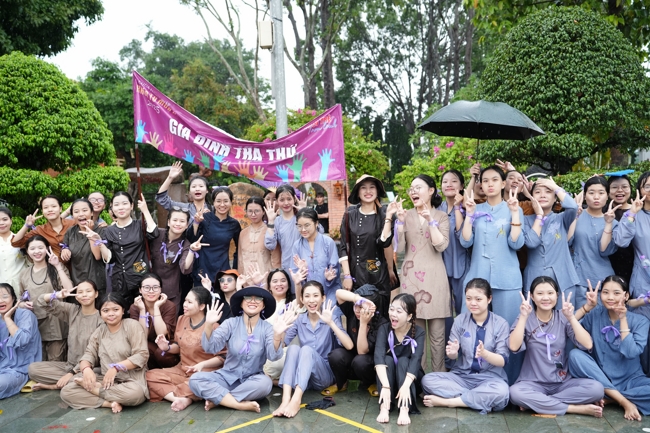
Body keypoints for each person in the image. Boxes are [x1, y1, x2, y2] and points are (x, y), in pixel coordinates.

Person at [189, 286, 296, 412]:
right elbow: (210, 347)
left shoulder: (267, 328)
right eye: (248, 297)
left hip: (252, 380)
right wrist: (208, 324)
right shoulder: (230, 323)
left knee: (266, 383)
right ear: (241, 303)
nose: (253, 301)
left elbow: (273, 356)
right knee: (195, 379)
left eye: (258, 299)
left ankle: (220, 400)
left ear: (263, 305)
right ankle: (238, 404)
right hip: (226, 377)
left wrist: (277, 335)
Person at [508, 276, 604, 417]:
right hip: (533, 383)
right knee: (515, 393)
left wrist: (571, 317)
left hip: (562, 383)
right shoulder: (526, 317)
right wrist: (523, 316)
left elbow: (587, 344)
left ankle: (540, 403)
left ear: (557, 295)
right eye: (540, 293)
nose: (545, 298)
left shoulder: (562, 317)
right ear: (532, 297)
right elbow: (513, 346)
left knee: (597, 389)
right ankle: (573, 408)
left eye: (550, 293)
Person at [388, 174, 450, 372]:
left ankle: (438, 378)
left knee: (438, 336)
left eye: (418, 187)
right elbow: (399, 248)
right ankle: (418, 378)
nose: (413, 191)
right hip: (411, 279)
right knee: (415, 334)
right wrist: (399, 223)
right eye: (411, 188)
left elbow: (441, 245)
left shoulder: (441, 216)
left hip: (435, 279)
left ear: (431, 191)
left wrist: (430, 220)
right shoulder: (406, 216)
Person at [421, 278, 510, 415]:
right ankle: (477, 398)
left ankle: (449, 402)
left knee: (502, 392)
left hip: (490, 378)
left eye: (478, 299)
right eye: (468, 298)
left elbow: (502, 360)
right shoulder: (460, 321)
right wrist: (452, 353)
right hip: (462, 377)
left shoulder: (500, 324)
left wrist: (485, 354)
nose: (472, 303)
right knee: (428, 380)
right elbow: (452, 355)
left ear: (489, 299)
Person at [569, 275, 650, 421]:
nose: (610, 297)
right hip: (600, 378)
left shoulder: (641, 321)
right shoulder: (595, 314)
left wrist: (623, 319)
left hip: (631, 380)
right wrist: (587, 307)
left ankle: (611, 398)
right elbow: (569, 326)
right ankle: (624, 401)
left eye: (616, 293)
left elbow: (631, 353)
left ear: (626, 296)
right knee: (575, 355)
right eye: (605, 292)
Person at [273, 281, 353, 418]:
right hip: (303, 378)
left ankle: (296, 400)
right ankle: (285, 400)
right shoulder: (299, 319)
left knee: (306, 350)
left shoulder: (331, 317)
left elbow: (349, 346)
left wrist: (331, 323)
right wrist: (279, 332)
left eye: (315, 296)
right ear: (302, 299)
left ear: (323, 298)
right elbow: (279, 348)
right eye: (307, 296)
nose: (311, 300)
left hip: (323, 376)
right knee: (293, 348)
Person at [59, 292, 149, 413]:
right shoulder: (100, 331)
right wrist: (86, 370)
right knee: (67, 391)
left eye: (115, 309)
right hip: (106, 380)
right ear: (100, 313)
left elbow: (142, 355)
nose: (111, 314)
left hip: (131, 380)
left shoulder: (132, 325)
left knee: (135, 394)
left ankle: (95, 390)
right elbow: (89, 354)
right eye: (106, 311)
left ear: (123, 310)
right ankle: (109, 403)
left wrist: (116, 368)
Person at [146, 286, 225, 411]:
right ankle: (184, 398)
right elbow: (179, 346)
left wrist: (202, 365)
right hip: (183, 370)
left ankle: (180, 393)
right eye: (185, 301)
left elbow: (222, 357)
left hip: (204, 374)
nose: (185, 305)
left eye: (189, 302)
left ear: (201, 306)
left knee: (198, 384)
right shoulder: (182, 319)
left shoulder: (213, 326)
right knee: (149, 376)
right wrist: (166, 347)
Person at [86, 192, 159, 306]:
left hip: (140, 276)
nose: (120, 207)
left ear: (131, 205)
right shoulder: (109, 230)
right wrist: (99, 242)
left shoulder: (140, 225)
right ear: (112, 208)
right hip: (119, 280)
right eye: (116, 204)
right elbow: (110, 258)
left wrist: (145, 210)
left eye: (124, 203)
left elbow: (154, 233)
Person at [29, 280, 103, 391]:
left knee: (82, 377)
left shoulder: (102, 318)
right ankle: (73, 382)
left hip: (90, 368)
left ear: (96, 294)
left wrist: (72, 373)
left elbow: (95, 354)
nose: (84, 295)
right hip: (69, 366)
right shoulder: (72, 310)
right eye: (80, 292)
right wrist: (56, 295)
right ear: (76, 297)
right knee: (33, 369)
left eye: (88, 291)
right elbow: (41, 302)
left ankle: (55, 385)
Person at [339, 175, 395, 317]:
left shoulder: (384, 213)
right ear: (357, 192)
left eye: (372, 187)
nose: (368, 191)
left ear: (377, 191)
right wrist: (347, 276)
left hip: (378, 274)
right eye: (363, 188)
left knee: (379, 315)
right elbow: (343, 247)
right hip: (356, 273)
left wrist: (388, 217)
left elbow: (384, 243)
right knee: (357, 314)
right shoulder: (349, 215)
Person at [325, 285, 388, 397]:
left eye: (362, 308)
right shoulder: (352, 312)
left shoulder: (381, 324)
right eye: (356, 306)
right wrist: (357, 299)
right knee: (335, 355)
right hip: (352, 358)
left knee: (360, 361)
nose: (358, 311)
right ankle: (342, 383)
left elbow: (361, 351)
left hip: (369, 363)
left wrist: (363, 324)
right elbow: (338, 293)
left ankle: (371, 383)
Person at [522, 178, 579, 303]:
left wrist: (556, 188)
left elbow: (573, 206)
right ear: (532, 197)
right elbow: (531, 242)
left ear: (555, 198)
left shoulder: (562, 218)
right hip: (534, 277)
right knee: (532, 314)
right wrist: (539, 216)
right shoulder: (525, 220)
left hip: (563, 278)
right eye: (537, 192)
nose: (542, 195)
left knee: (565, 313)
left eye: (548, 192)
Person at [568, 176, 620, 309]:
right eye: (591, 193)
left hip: (602, 279)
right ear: (585, 196)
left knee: (602, 318)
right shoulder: (577, 215)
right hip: (578, 278)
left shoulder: (613, 222)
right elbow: (567, 241)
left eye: (601, 193)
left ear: (607, 196)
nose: (596, 197)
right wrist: (574, 216)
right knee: (578, 317)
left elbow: (604, 250)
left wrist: (608, 224)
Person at [19, 236, 73, 361]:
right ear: (27, 251)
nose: (37, 251)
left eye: (40, 247)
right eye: (32, 248)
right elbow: (21, 299)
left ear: (47, 249)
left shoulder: (56, 268)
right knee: (39, 363)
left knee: (55, 362)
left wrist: (58, 266)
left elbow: (69, 289)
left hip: (56, 322)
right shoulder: (24, 273)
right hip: (35, 323)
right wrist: (22, 305)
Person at [374, 293, 425, 426]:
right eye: (392, 309)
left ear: (409, 316)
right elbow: (378, 357)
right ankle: (384, 407)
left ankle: (404, 408)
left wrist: (406, 386)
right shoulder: (384, 328)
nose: (393, 314)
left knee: (403, 360)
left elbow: (416, 360)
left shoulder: (419, 332)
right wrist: (385, 386)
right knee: (387, 359)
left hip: (410, 379)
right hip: (390, 381)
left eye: (399, 311)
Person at [187, 186, 241, 286]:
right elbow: (191, 240)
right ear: (213, 202)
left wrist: (234, 270)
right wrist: (196, 222)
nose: (222, 204)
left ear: (231, 202)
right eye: (218, 201)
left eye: (226, 201)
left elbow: (239, 249)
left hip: (223, 270)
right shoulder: (204, 218)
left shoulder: (234, 224)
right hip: (202, 268)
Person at [144, 205, 194, 312]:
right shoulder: (157, 234)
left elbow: (185, 267)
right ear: (168, 222)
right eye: (175, 220)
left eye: (182, 221)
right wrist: (144, 209)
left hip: (171, 292)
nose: (178, 224)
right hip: (149, 290)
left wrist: (192, 251)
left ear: (187, 225)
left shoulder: (186, 244)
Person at [129, 273, 179, 369]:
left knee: (161, 353)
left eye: (155, 287)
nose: (151, 291)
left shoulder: (169, 306)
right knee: (143, 348)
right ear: (140, 290)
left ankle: (168, 372)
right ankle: (149, 373)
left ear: (160, 289)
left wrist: (156, 307)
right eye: (146, 288)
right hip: (148, 344)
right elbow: (142, 336)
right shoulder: (135, 307)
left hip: (167, 344)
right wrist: (142, 310)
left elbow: (161, 333)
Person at [290, 208, 340, 304]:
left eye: (307, 225)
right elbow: (296, 273)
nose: (303, 230)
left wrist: (329, 276)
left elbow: (335, 267)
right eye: (299, 226)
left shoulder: (328, 242)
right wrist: (302, 270)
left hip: (329, 292)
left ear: (316, 223)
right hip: (309, 296)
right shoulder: (297, 245)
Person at [262, 267, 304, 382]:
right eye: (275, 281)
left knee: (278, 362)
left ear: (289, 285)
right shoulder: (263, 305)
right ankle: (275, 381)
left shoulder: (292, 304)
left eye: (283, 280)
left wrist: (298, 284)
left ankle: (272, 380)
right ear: (269, 286)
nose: (279, 284)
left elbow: (300, 303)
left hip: (285, 351)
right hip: (265, 351)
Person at [0, 283, 41, 399]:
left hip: (20, 370)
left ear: (13, 298)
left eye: (4, 296)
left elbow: (22, 340)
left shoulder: (25, 315)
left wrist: (7, 318)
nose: (0, 301)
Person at [438, 170, 470, 316]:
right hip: (440, 266)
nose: (449, 184)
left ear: (462, 186)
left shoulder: (468, 208)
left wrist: (459, 208)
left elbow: (464, 238)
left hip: (462, 265)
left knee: (463, 308)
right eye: (445, 181)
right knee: (443, 311)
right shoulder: (437, 210)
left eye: (454, 181)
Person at [60, 198, 107, 292]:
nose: (81, 214)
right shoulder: (70, 231)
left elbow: (97, 256)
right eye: (76, 211)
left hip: (96, 280)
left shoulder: (101, 230)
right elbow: (65, 247)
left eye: (85, 210)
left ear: (92, 213)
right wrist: (64, 250)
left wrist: (90, 232)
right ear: (72, 215)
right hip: (76, 279)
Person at [265, 184, 308, 274]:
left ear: (294, 199)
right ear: (277, 201)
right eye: (282, 200)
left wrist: (305, 214)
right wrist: (271, 221)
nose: (286, 203)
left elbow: (318, 232)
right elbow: (270, 245)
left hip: (306, 263)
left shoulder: (300, 218)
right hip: (288, 266)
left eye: (289, 199)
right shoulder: (277, 221)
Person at [238, 197, 277, 277]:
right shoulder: (243, 233)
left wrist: (274, 279)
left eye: (257, 211)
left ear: (263, 211)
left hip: (265, 278)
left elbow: (276, 259)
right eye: (250, 211)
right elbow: (240, 260)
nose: (253, 214)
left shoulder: (270, 231)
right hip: (247, 279)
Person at [0, 207, 27, 296]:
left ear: (11, 221)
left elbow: (30, 263)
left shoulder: (20, 240)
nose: (1, 223)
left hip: (21, 286)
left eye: (5, 219)